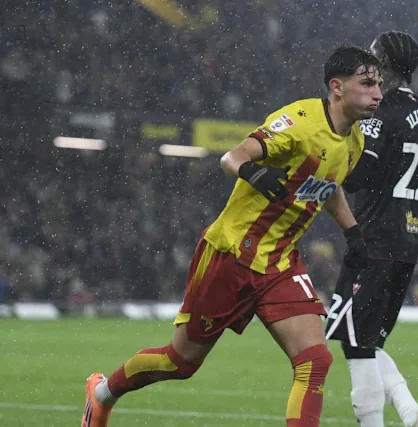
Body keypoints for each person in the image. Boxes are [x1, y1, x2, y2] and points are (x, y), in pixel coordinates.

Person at [81, 44, 383, 427]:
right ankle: (102, 394)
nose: (377, 94)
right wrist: (254, 172)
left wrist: (353, 233)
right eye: (367, 84)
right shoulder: (300, 122)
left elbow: (329, 184)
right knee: (179, 362)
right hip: (232, 255)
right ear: (337, 87)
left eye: (379, 85)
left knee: (315, 360)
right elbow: (232, 157)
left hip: (280, 263)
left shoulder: (355, 140)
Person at [324, 32, 418, 427]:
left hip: (374, 239)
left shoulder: (381, 111)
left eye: (373, 56)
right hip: (408, 241)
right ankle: (410, 412)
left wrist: (329, 154)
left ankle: (398, 416)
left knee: (356, 343)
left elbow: (359, 175)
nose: (367, 62)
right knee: (367, 340)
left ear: (385, 63)